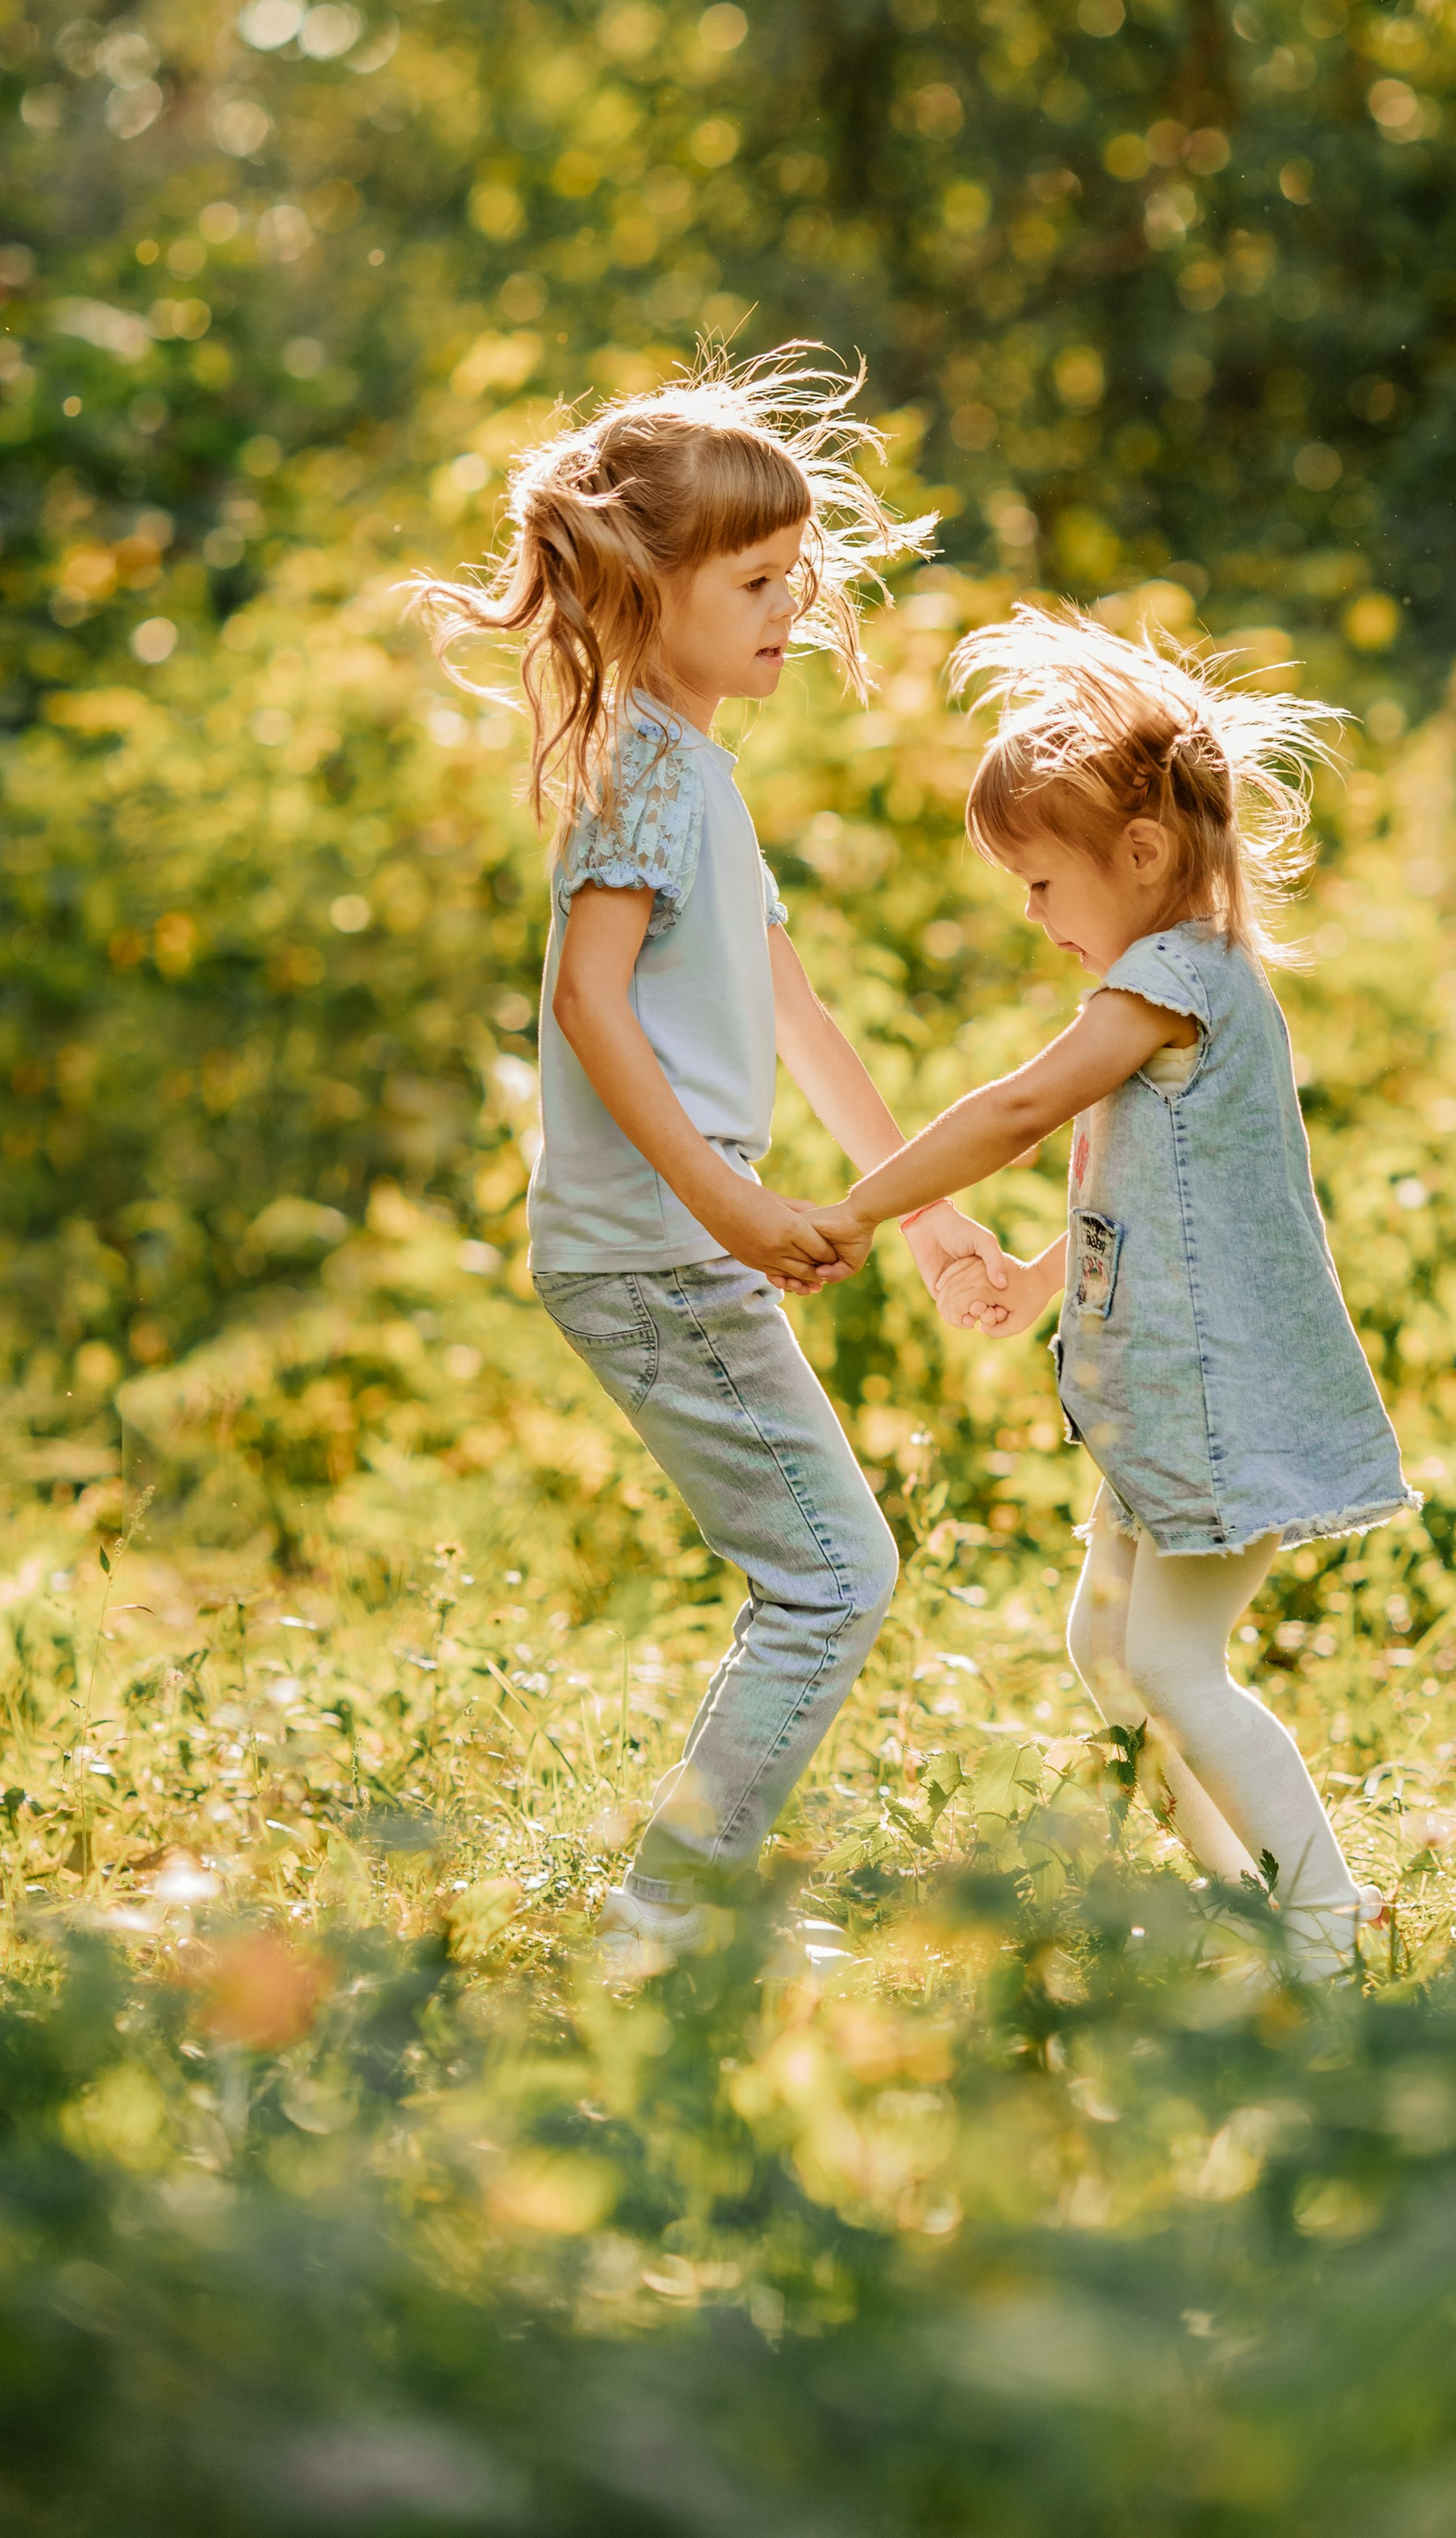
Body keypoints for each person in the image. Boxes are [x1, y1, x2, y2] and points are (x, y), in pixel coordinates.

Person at [417, 346, 1007, 1966]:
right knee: (833, 1579)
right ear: (643, 588)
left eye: (794, 575)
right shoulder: (640, 770)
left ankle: (684, 1911)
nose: (789, 608)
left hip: (671, 1245)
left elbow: (796, 1012)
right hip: (652, 1249)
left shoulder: (696, 771)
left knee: (827, 1573)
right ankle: (666, 1924)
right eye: (753, 580)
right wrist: (731, 1202)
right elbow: (585, 1001)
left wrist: (933, 1216)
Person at [809, 607, 1414, 1977]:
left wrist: (859, 1211)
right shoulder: (1178, 985)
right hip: (1166, 1404)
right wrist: (1033, 1278)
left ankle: (1325, 1920)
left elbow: (1021, 1109)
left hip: (1212, 1406)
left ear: (1139, 856)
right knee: (1109, 1646)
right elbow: (1148, 1197)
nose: (1032, 918)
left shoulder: (1173, 980)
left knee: (1178, 1668)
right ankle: (1250, 1884)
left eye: (1038, 884)